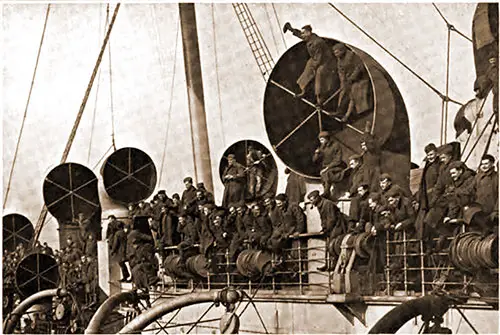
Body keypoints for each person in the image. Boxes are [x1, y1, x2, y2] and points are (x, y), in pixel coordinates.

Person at [283, 23, 337, 106]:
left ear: (309, 33)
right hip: (316, 59)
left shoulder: (317, 42)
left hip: (327, 61)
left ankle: (320, 99)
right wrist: (290, 28)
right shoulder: (309, 38)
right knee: (308, 68)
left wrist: (314, 68)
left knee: (319, 73)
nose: (302, 35)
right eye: (302, 33)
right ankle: (303, 90)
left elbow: (319, 59)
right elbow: (299, 34)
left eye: (303, 33)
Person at [332, 43, 372, 122]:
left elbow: (359, 68)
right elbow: (341, 72)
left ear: (342, 51)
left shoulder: (353, 56)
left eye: (337, 52)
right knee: (343, 92)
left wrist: (351, 78)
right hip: (349, 80)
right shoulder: (339, 60)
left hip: (361, 79)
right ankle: (339, 111)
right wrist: (343, 82)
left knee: (353, 95)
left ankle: (347, 115)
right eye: (334, 53)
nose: (335, 54)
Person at [307, 190, 347, 271]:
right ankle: (328, 264)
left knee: (334, 245)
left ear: (317, 198)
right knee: (329, 245)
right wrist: (324, 227)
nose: (311, 203)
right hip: (332, 226)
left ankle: (336, 264)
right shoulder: (319, 205)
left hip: (338, 226)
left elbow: (331, 219)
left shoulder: (327, 204)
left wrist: (327, 229)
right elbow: (323, 218)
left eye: (312, 200)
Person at [415, 143, 441, 240]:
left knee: (431, 223)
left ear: (436, 153)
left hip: (435, 197)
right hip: (426, 198)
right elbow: (423, 183)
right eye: (428, 155)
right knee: (420, 223)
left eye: (431, 154)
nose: (430, 157)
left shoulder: (439, 166)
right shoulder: (427, 166)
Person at [313, 131, 346, 200]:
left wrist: (327, 168)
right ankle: (326, 192)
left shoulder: (336, 145)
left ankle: (326, 192)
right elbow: (314, 160)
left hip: (337, 167)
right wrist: (316, 153)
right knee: (324, 173)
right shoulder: (322, 147)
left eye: (322, 140)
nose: (321, 142)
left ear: (327, 139)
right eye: (320, 140)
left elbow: (338, 160)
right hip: (327, 168)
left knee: (327, 173)